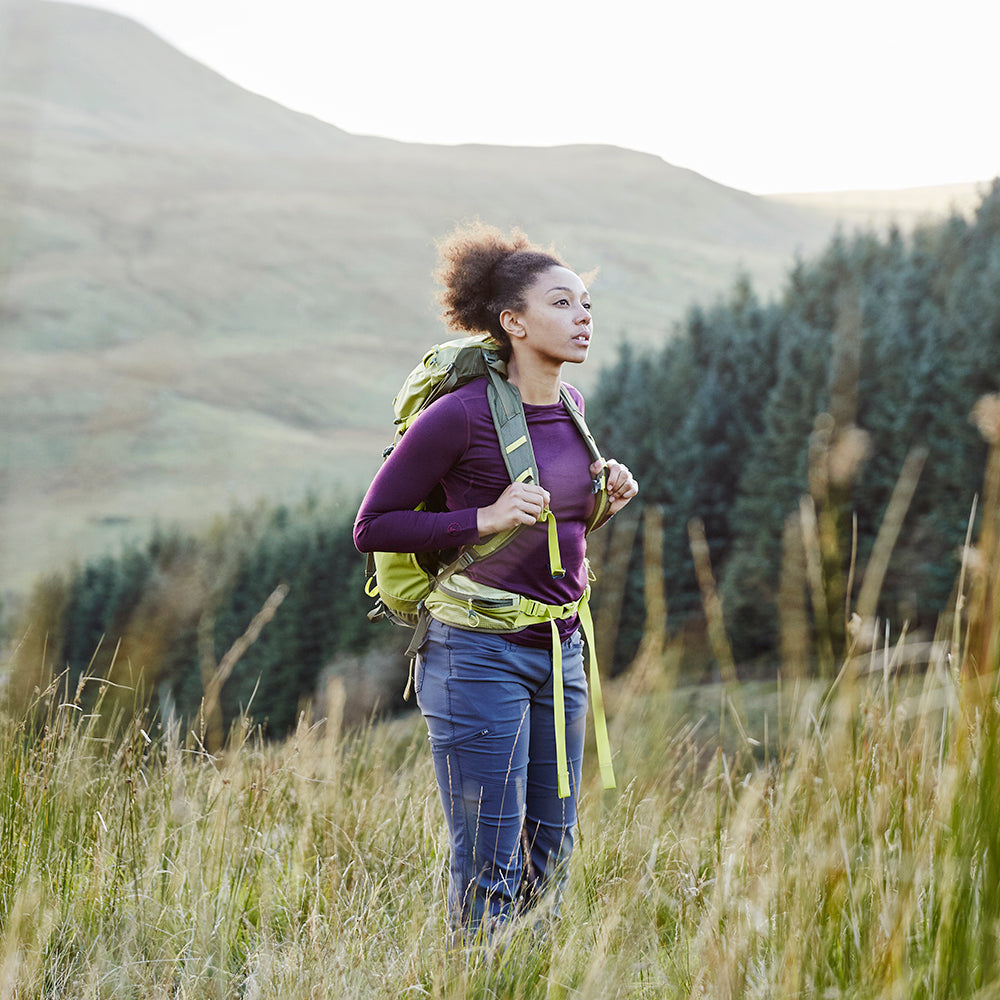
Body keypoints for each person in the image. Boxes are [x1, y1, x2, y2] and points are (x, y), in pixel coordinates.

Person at [353, 222, 638, 941]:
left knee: (552, 853)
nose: (583, 318)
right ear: (512, 321)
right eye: (563, 304)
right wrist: (480, 516)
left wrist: (604, 500)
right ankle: (475, 978)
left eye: (587, 305)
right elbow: (373, 525)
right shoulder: (459, 415)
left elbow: (550, 533)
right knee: (490, 863)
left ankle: (530, 979)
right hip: (475, 654)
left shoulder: (571, 412)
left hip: (561, 649)